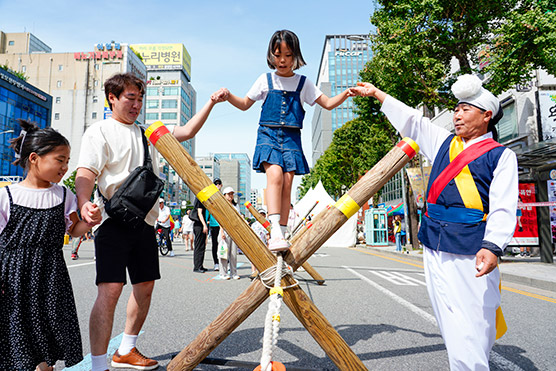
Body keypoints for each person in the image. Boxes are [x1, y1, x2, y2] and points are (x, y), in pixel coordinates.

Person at [353, 74, 518, 370]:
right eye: (455, 109)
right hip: (433, 243)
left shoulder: (501, 156)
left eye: (465, 109)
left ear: (486, 116)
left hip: (470, 246)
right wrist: (377, 93)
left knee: (475, 319)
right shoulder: (444, 142)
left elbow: (504, 206)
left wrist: (493, 246)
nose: (457, 115)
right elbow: (414, 121)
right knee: (448, 317)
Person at [75, 72, 223, 371]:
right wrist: (83, 205)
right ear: (112, 98)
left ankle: (126, 350)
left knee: (144, 287)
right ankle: (99, 365)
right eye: (130, 98)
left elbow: (188, 131)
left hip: (145, 222)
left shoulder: (148, 132)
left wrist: (210, 103)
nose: (136, 104)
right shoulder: (99, 131)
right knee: (111, 289)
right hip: (112, 221)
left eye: (140, 99)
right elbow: (85, 172)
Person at [213, 29, 356, 252]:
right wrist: (228, 95)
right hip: (268, 134)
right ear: (271, 55)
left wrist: (346, 93)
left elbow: (327, 103)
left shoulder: (304, 83)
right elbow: (243, 104)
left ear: (296, 56)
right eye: (278, 54)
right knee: (275, 176)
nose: (282, 60)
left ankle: (282, 230)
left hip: (291, 137)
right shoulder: (265, 80)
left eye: (288, 55)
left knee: (288, 181)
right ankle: (276, 231)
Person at [0, 119, 91, 371]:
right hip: (13, 276)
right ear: (34, 158)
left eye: (68, 161)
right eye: (59, 160)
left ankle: (44, 365)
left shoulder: (64, 195)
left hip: (51, 275)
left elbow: (74, 230)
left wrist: (89, 221)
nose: (65, 167)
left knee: (48, 327)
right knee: (17, 328)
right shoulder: (7, 195)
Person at [218, 187, 240, 280]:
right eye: (228, 194)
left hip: (234, 231)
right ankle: (223, 273)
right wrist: (222, 231)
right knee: (224, 252)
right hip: (225, 230)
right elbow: (220, 219)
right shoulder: (222, 205)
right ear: (224, 195)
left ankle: (233, 273)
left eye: (232, 194)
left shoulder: (236, 206)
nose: (230, 196)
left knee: (233, 253)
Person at [206, 178, 223, 270]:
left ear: (221, 185)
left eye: (219, 183)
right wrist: (206, 222)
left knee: (224, 243)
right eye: (215, 184)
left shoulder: (223, 196)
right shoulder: (210, 197)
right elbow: (207, 210)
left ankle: (225, 262)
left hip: (223, 224)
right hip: (213, 224)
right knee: (215, 244)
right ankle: (216, 263)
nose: (217, 185)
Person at [250, 208, 270, 279]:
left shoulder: (267, 224)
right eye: (260, 214)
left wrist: (268, 245)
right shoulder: (254, 225)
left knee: (263, 259)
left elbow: (268, 236)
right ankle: (253, 272)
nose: (261, 216)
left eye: (263, 214)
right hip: (255, 243)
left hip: (263, 244)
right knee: (254, 258)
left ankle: (262, 272)